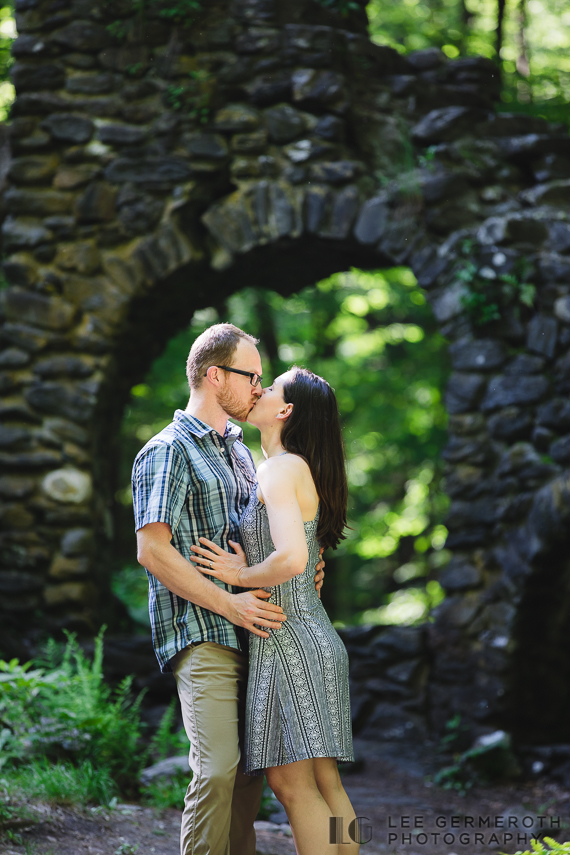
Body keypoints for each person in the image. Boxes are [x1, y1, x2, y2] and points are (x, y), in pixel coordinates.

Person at [131, 324, 324, 855]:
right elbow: (152, 551)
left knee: (253, 782)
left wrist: (306, 565)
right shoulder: (166, 450)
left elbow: (272, 539)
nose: (259, 388)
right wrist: (230, 601)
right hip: (205, 630)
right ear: (216, 376)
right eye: (252, 376)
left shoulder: (241, 454)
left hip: (264, 637)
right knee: (219, 770)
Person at [189, 367, 358, 855]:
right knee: (326, 784)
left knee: (294, 788)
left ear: (285, 411)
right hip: (312, 636)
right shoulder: (293, 467)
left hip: (288, 641)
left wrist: (239, 576)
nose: (257, 391)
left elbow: (293, 558)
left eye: (270, 388)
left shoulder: (280, 468)